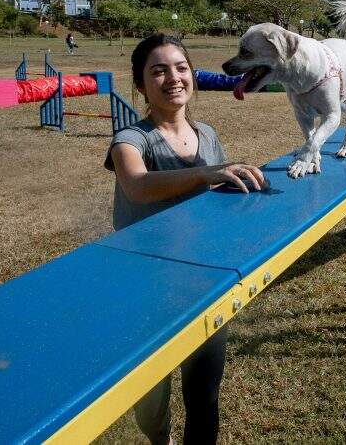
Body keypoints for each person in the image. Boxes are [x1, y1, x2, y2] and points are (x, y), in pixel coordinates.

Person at [105, 33, 266, 445]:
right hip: (145, 284)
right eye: (158, 71)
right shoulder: (131, 139)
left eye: (180, 68)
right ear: (141, 85)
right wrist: (203, 173)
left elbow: (222, 205)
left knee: (204, 395)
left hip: (200, 281)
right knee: (152, 403)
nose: (173, 78)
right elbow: (137, 187)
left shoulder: (208, 134)